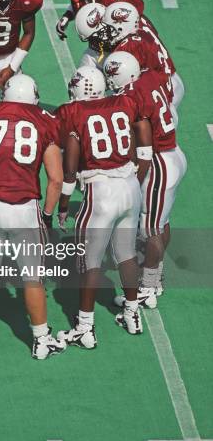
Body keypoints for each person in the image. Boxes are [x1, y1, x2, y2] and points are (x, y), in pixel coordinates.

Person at [0, 74, 66, 360]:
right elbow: (56, 179)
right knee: (32, 279)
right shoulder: (45, 121)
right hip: (23, 208)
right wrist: (46, 216)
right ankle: (41, 340)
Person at [56, 66, 143, 348]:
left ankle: (85, 328)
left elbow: (69, 168)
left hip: (101, 189)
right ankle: (132, 313)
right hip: (130, 184)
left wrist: (64, 204)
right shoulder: (124, 102)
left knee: (89, 262)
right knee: (126, 254)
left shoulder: (71, 113)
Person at [103, 51, 187, 307]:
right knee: (160, 223)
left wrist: (133, 181)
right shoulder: (150, 78)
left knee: (150, 229)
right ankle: (154, 273)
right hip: (172, 154)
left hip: (158, 161)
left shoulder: (132, 96)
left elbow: (145, 149)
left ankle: (149, 286)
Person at [102, 2, 184, 109]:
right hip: (170, 82)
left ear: (122, 26)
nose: (107, 31)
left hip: (160, 93)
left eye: (110, 28)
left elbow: (121, 79)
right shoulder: (141, 31)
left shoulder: (129, 46)